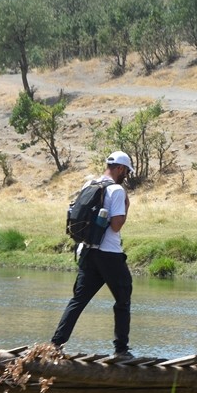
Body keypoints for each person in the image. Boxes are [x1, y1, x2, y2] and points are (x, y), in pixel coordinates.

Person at [52, 151, 135, 357]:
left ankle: (55, 345)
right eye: (126, 171)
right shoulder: (116, 190)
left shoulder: (89, 184)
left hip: (87, 250)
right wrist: (126, 206)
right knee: (123, 299)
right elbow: (116, 226)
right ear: (120, 168)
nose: (126, 175)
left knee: (78, 300)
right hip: (109, 253)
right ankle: (121, 350)